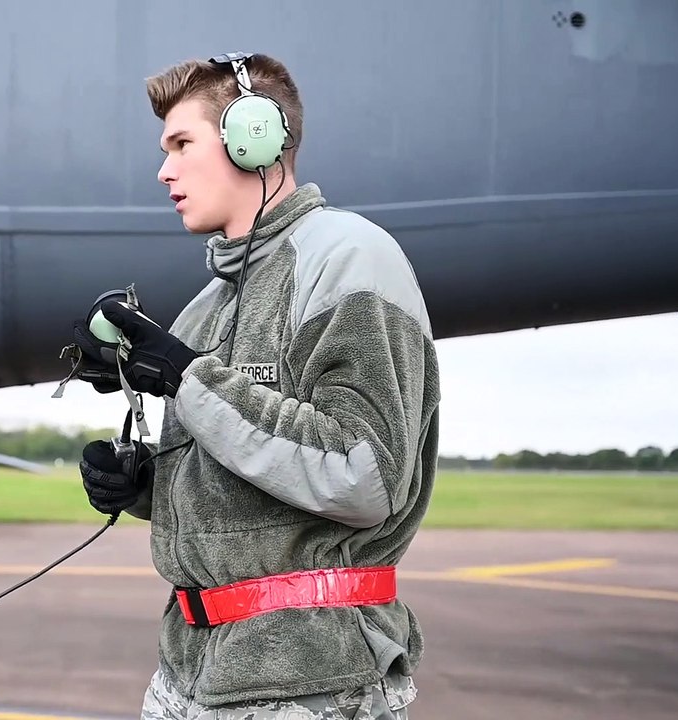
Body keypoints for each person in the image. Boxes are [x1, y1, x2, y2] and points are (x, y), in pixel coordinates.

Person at [73, 52, 440, 719]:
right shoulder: (206, 306)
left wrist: (189, 378)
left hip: (309, 681)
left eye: (183, 144)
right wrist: (146, 490)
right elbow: (254, 493)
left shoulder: (349, 258)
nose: (164, 170)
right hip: (191, 674)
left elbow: (365, 476)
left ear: (255, 139)